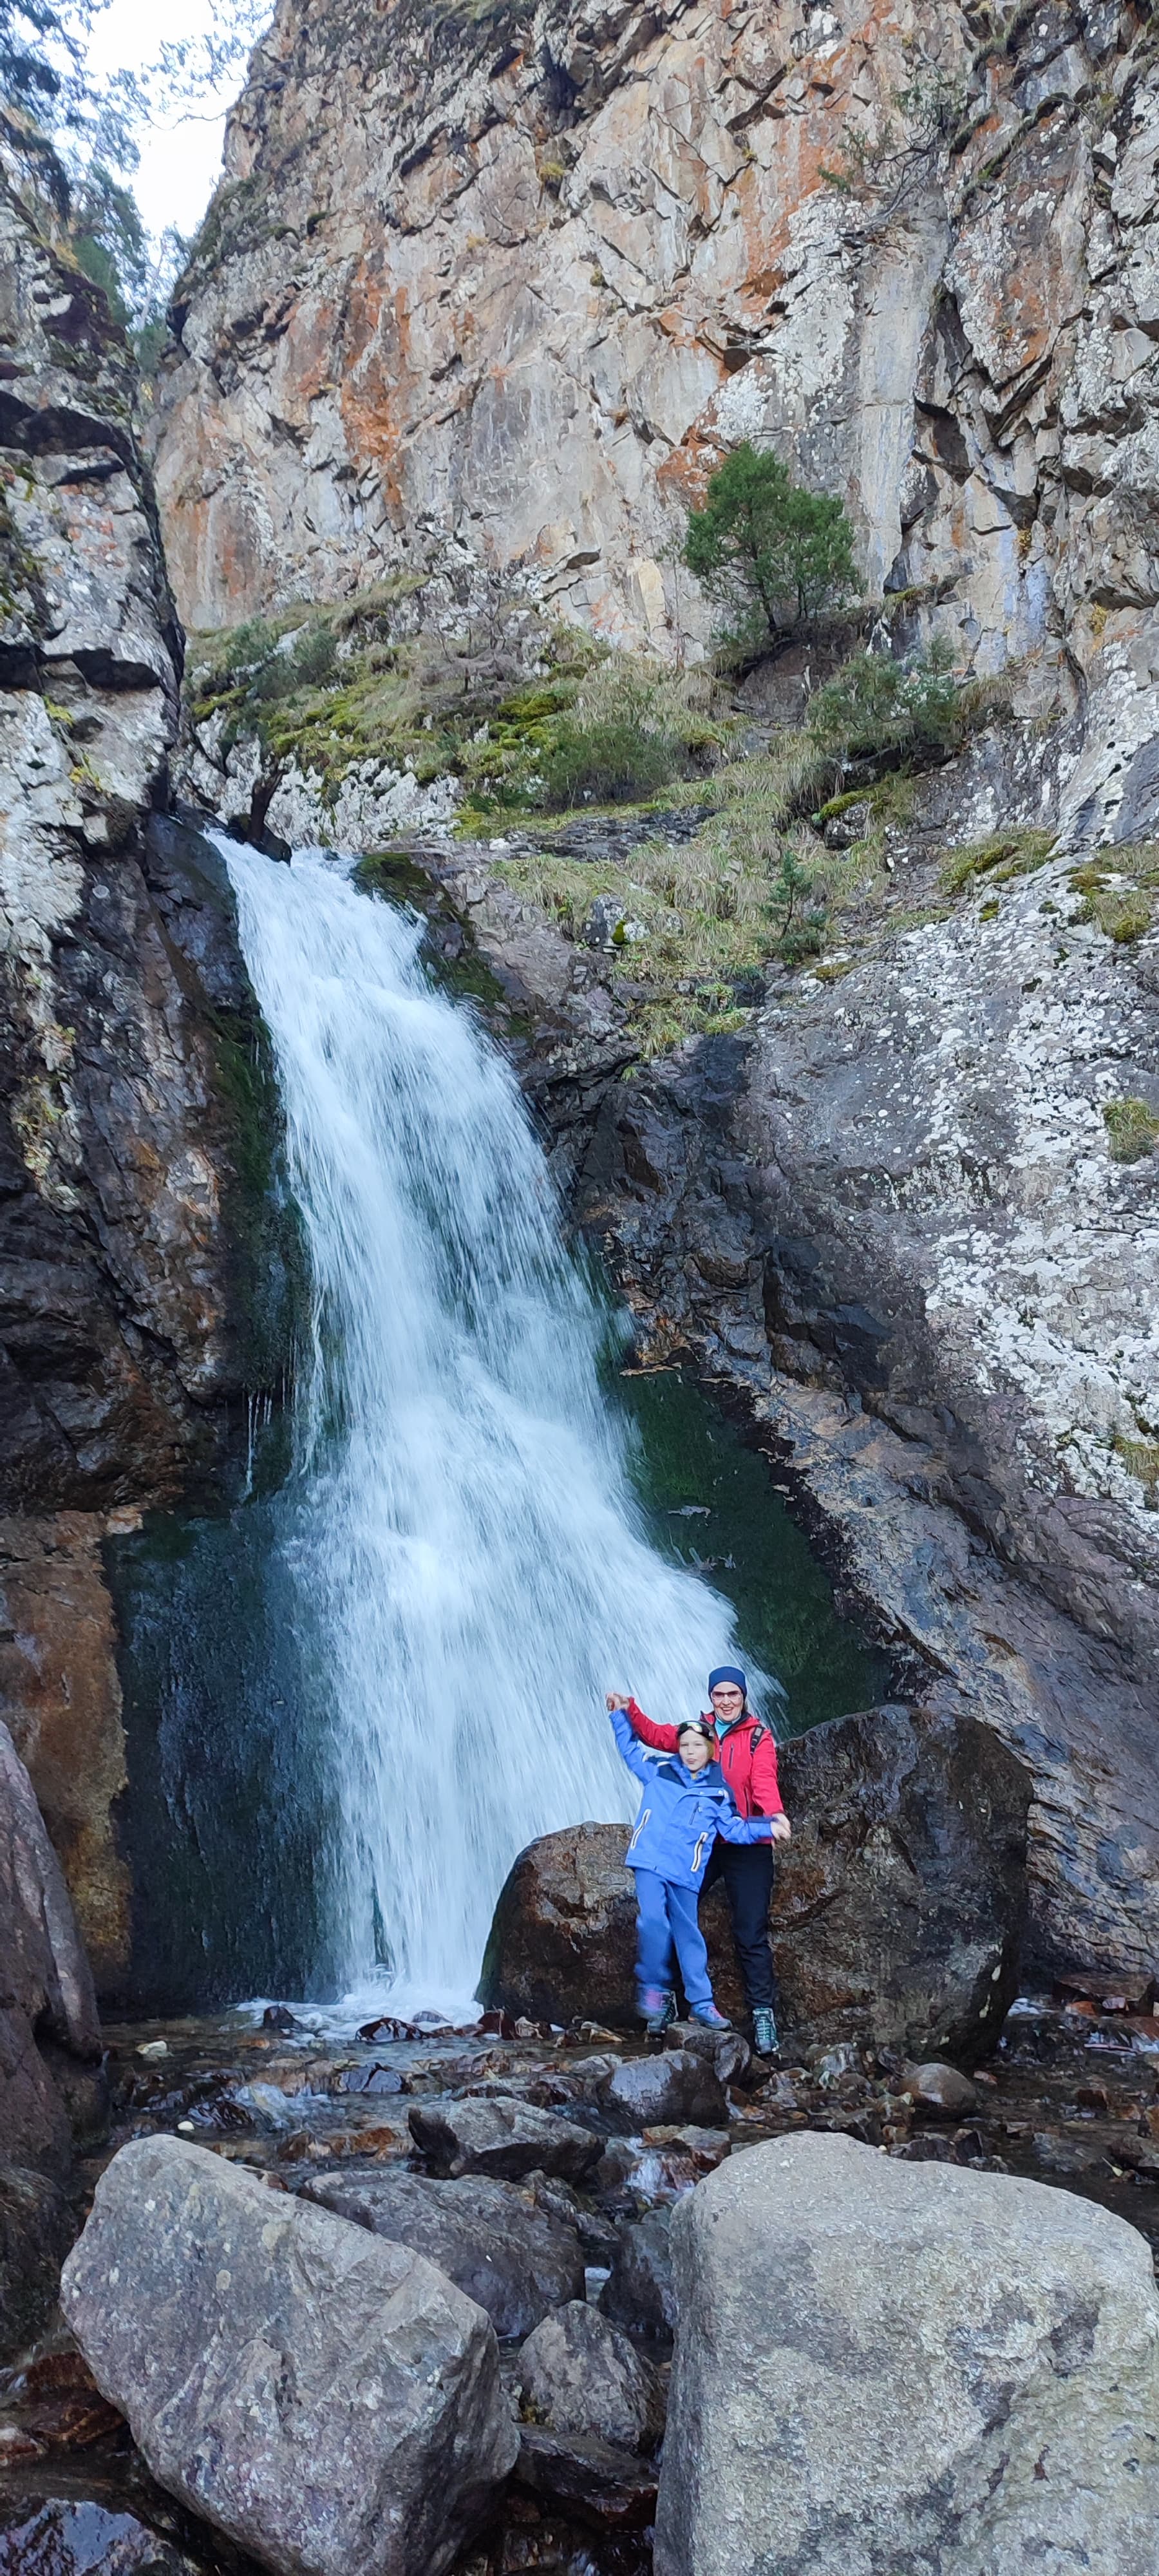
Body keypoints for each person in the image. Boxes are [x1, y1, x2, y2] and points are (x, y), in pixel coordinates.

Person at [607, 1665, 789, 2057]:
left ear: (743, 1696)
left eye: (733, 1694)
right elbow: (654, 1737)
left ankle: (762, 2014)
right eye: (719, 1694)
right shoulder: (697, 1732)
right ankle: (667, 1999)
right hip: (699, 1843)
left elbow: (764, 1781)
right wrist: (628, 1710)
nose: (726, 1701)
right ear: (711, 1697)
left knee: (750, 1930)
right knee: (672, 1918)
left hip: (741, 1836)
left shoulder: (758, 1737)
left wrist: (772, 1819)